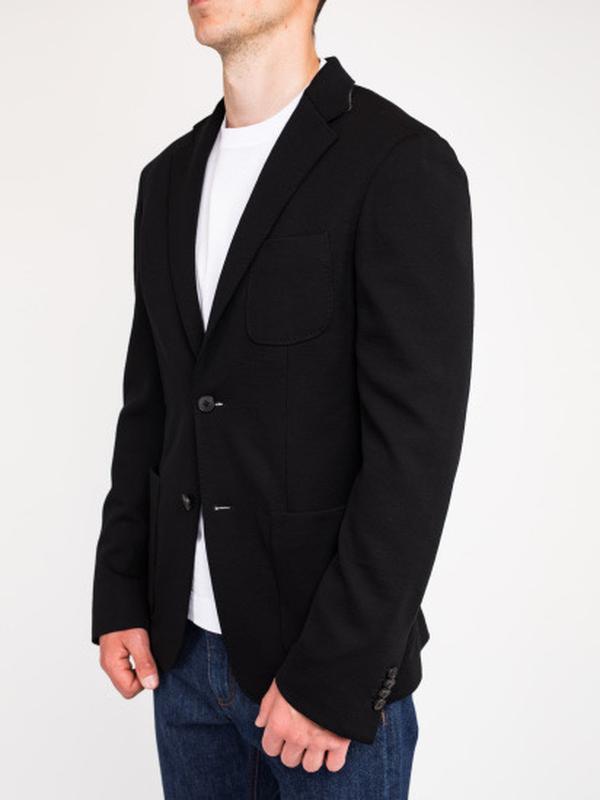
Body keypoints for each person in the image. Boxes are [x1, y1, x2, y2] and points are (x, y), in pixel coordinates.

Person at [91, 0, 473, 796]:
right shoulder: (167, 181)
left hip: (320, 685)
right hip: (182, 663)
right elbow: (152, 407)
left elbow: (415, 456)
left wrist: (334, 677)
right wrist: (121, 591)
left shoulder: (398, 163)